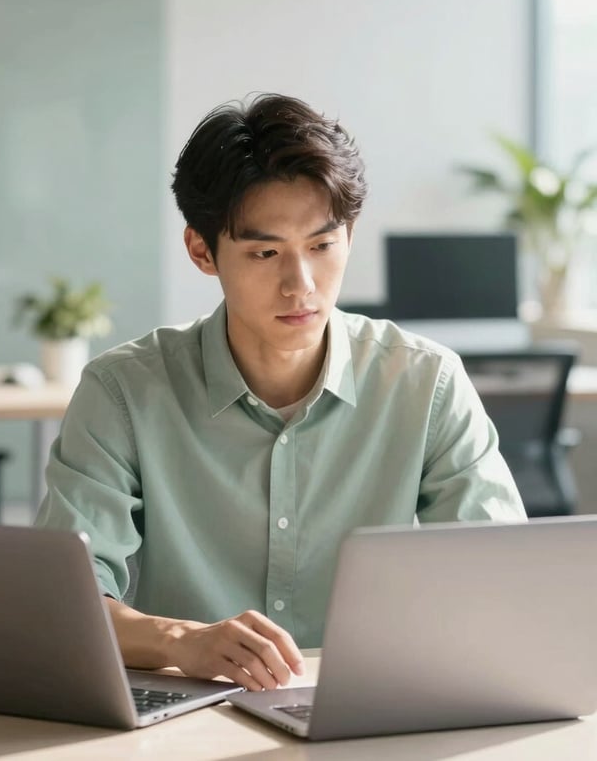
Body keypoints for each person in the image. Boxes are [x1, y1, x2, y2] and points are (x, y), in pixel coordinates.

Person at [35, 93, 525, 691]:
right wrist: (182, 641)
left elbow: (501, 584)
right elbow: (61, 605)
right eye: (266, 253)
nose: (302, 286)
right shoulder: (124, 392)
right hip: (192, 716)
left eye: (322, 246)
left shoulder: (427, 383)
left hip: (377, 703)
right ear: (201, 251)